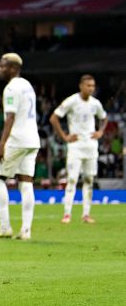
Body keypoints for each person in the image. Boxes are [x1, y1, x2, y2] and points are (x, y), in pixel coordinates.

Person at [0, 53, 40, 241]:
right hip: (33, 139)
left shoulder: (11, 88)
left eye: (3, 66)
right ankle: (26, 230)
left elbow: (10, 118)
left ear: (14, 69)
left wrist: (1, 145)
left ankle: (5, 227)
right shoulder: (27, 85)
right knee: (26, 182)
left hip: (17, 139)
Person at [49, 75, 108, 224]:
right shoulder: (72, 101)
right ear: (81, 86)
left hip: (91, 146)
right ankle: (67, 214)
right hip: (75, 146)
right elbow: (54, 118)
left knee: (89, 179)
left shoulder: (95, 103)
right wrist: (64, 136)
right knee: (72, 179)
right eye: (88, 85)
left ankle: (86, 214)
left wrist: (100, 132)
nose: (91, 88)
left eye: (93, 86)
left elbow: (104, 118)